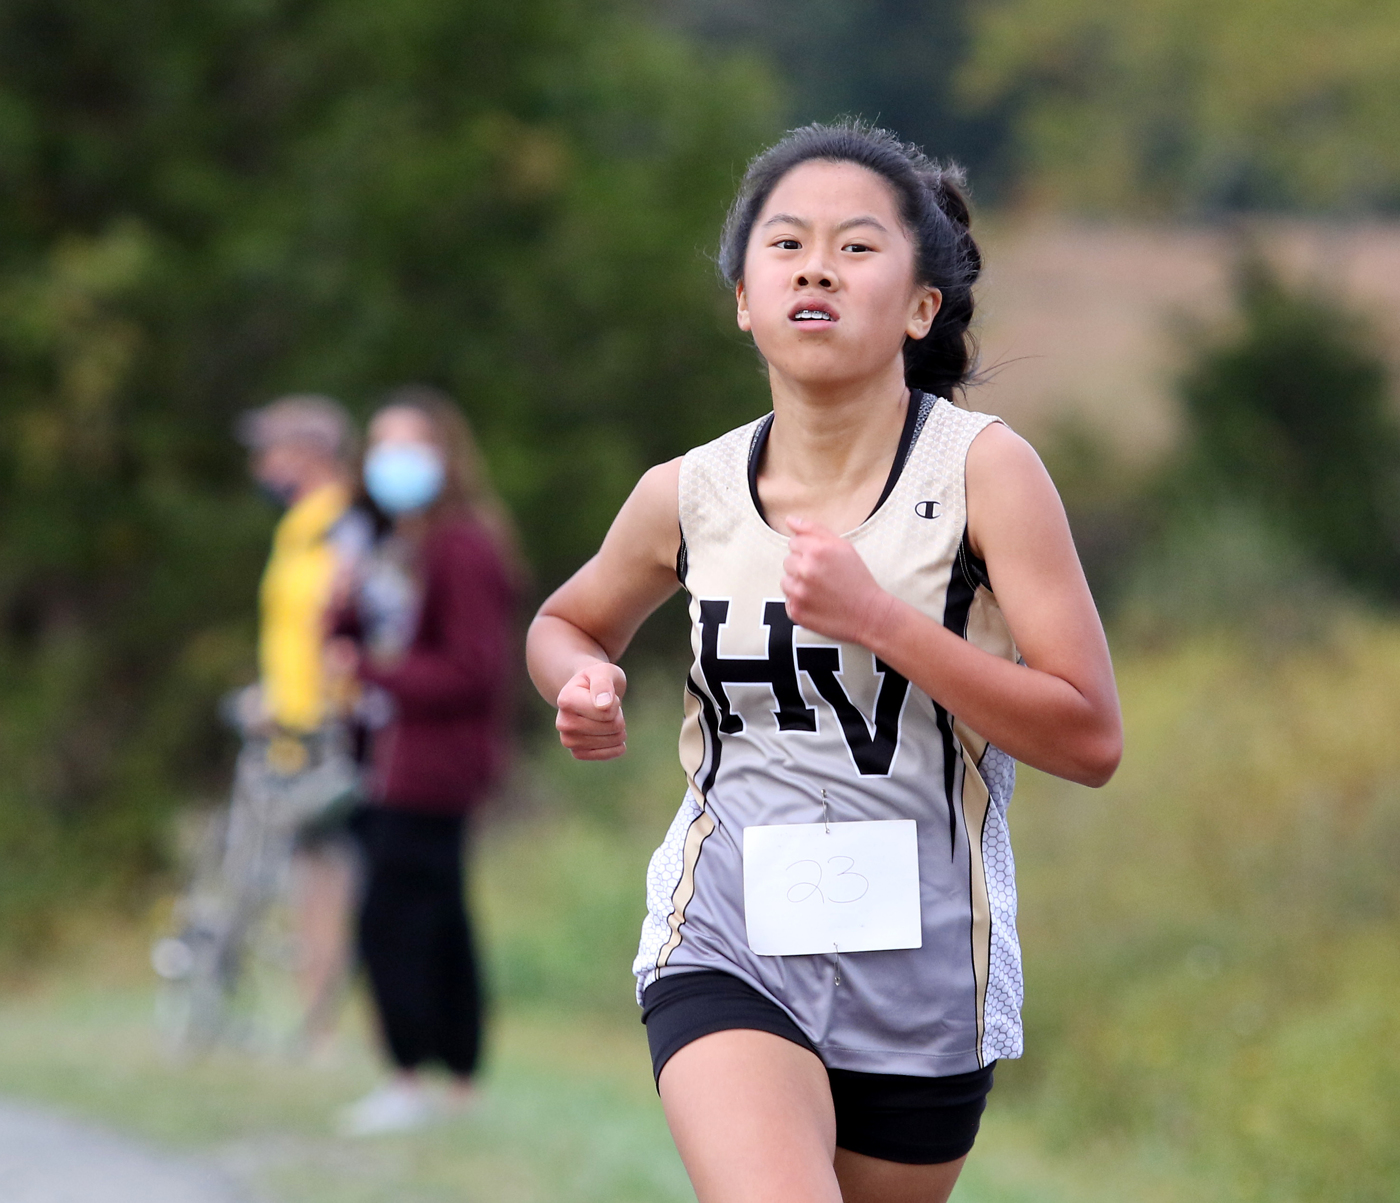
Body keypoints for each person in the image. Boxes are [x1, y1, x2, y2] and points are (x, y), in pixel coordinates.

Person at [526, 122, 1123, 1203]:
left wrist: (886, 623)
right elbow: (564, 622)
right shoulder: (688, 492)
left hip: (925, 978)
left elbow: (1088, 739)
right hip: (725, 943)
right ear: (745, 302)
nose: (814, 266)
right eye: (785, 245)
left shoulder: (987, 475)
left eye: (855, 248)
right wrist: (579, 679)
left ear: (918, 307)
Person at [329, 387, 519, 1137]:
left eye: (409, 444)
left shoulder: (463, 546)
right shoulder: (387, 543)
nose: (392, 460)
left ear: (445, 455)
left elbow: (472, 671)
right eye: (381, 444)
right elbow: (359, 629)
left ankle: (413, 1074)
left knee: (394, 921)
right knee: (436, 919)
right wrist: (342, 617)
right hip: (382, 765)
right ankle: (453, 1079)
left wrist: (371, 672)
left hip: (433, 770)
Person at [237, 393, 372, 1051]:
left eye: (274, 451)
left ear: (309, 454)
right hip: (293, 729)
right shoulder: (298, 526)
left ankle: (327, 1026)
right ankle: (311, 1022)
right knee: (309, 876)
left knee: (335, 876)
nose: (263, 465)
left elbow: (352, 625)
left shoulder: (345, 522)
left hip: (336, 729)